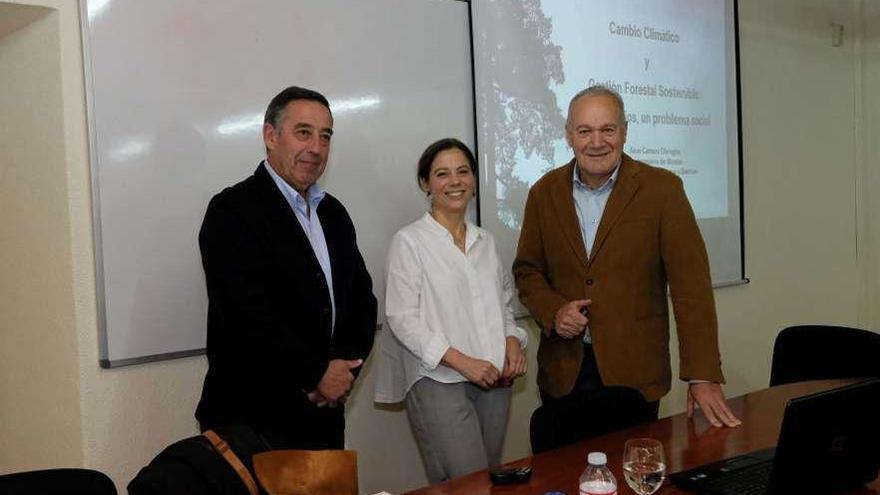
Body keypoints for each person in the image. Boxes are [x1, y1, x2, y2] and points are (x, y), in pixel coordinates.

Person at [514, 85, 740, 452]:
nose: (597, 141)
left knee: (633, 476)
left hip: (635, 376)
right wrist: (554, 311)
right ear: (569, 135)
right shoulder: (543, 193)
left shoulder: (662, 190)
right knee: (565, 478)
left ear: (625, 132)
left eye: (608, 129)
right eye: (585, 131)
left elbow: (691, 289)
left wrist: (702, 375)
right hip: (564, 372)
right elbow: (527, 270)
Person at [195, 86, 377, 450]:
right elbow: (248, 314)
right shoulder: (231, 211)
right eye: (304, 132)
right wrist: (316, 374)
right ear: (270, 135)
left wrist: (344, 370)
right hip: (252, 421)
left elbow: (361, 300)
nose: (316, 147)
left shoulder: (334, 213)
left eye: (325, 136)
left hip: (323, 417)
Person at [374, 138, 528, 483]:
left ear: (474, 179)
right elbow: (401, 318)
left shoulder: (485, 241)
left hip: (494, 381)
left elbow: (502, 302)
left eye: (462, 171)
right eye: (442, 174)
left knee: (488, 478)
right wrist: (463, 362)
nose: (455, 181)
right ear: (426, 184)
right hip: (439, 380)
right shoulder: (409, 242)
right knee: (466, 482)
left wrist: (513, 339)